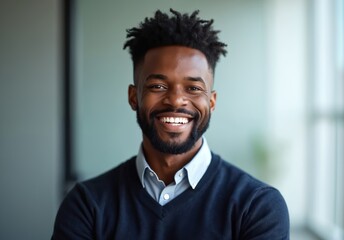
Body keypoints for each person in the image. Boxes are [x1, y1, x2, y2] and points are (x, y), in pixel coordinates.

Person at [52, 9, 289, 239]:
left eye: (194, 88)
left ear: (212, 102)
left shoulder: (257, 206)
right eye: (158, 86)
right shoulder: (87, 204)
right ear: (134, 97)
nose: (176, 100)